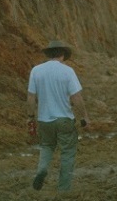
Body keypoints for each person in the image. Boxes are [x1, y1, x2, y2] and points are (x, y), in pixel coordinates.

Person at [27, 40, 91, 192]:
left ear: (48, 54)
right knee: (67, 153)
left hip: (44, 120)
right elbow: (76, 98)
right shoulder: (68, 71)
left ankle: (42, 169)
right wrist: (84, 118)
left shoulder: (36, 70)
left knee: (47, 147)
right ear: (62, 54)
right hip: (64, 119)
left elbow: (30, 97)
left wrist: (30, 118)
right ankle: (63, 190)